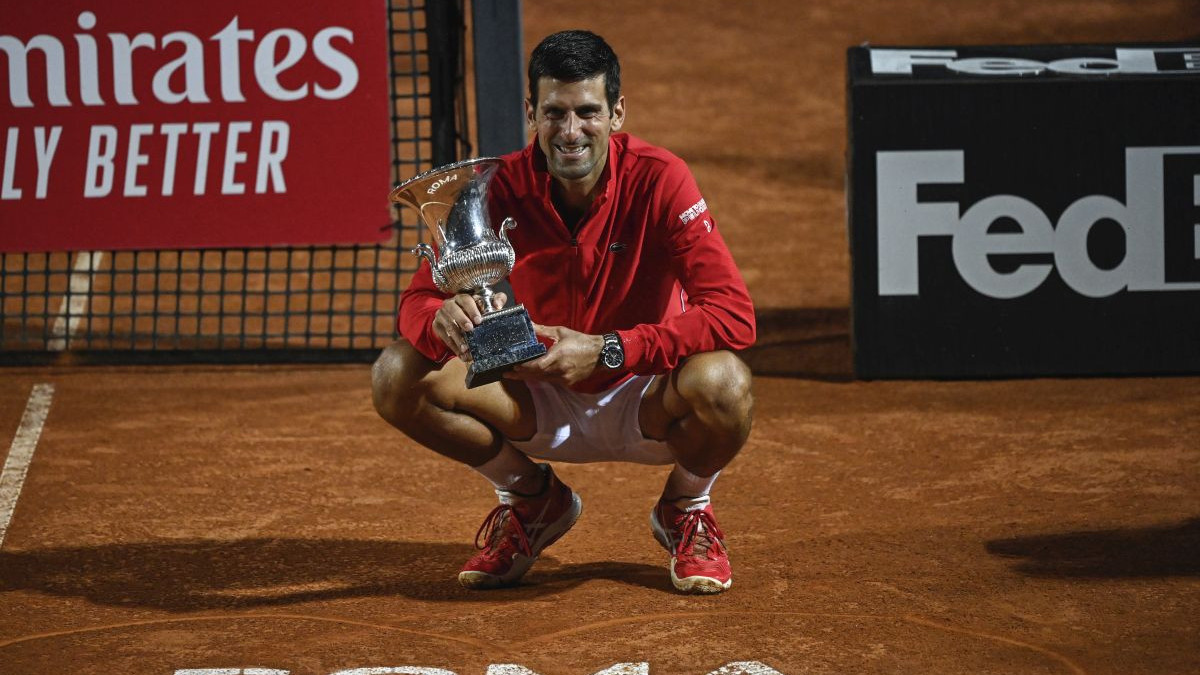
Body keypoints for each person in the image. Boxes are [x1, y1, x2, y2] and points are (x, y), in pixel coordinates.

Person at [372, 30, 755, 594]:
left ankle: (685, 507)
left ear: (616, 113)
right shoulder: (493, 187)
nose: (571, 131)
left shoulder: (660, 177)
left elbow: (733, 313)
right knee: (396, 375)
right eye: (554, 112)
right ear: (531, 112)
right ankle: (531, 498)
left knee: (725, 382)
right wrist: (436, 320)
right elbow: (417, 300)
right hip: (534, 395)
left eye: (588, 112)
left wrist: (611, 349)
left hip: (644, 392)